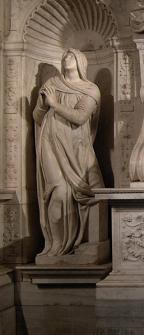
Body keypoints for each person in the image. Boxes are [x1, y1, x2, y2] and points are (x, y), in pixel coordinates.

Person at [33, 48, 104, 257]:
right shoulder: (51, 84)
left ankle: (73, 244)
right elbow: (37, 116)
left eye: (72, 55)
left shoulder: (90, 89)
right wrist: (43, 106)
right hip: (50, 143)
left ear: (81, 62)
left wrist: (54, 104)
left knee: (74, 191)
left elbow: (81, 118)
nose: (67, 58)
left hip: (76, 147)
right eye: (64, 55)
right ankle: (55, 244)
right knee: (57, 189)